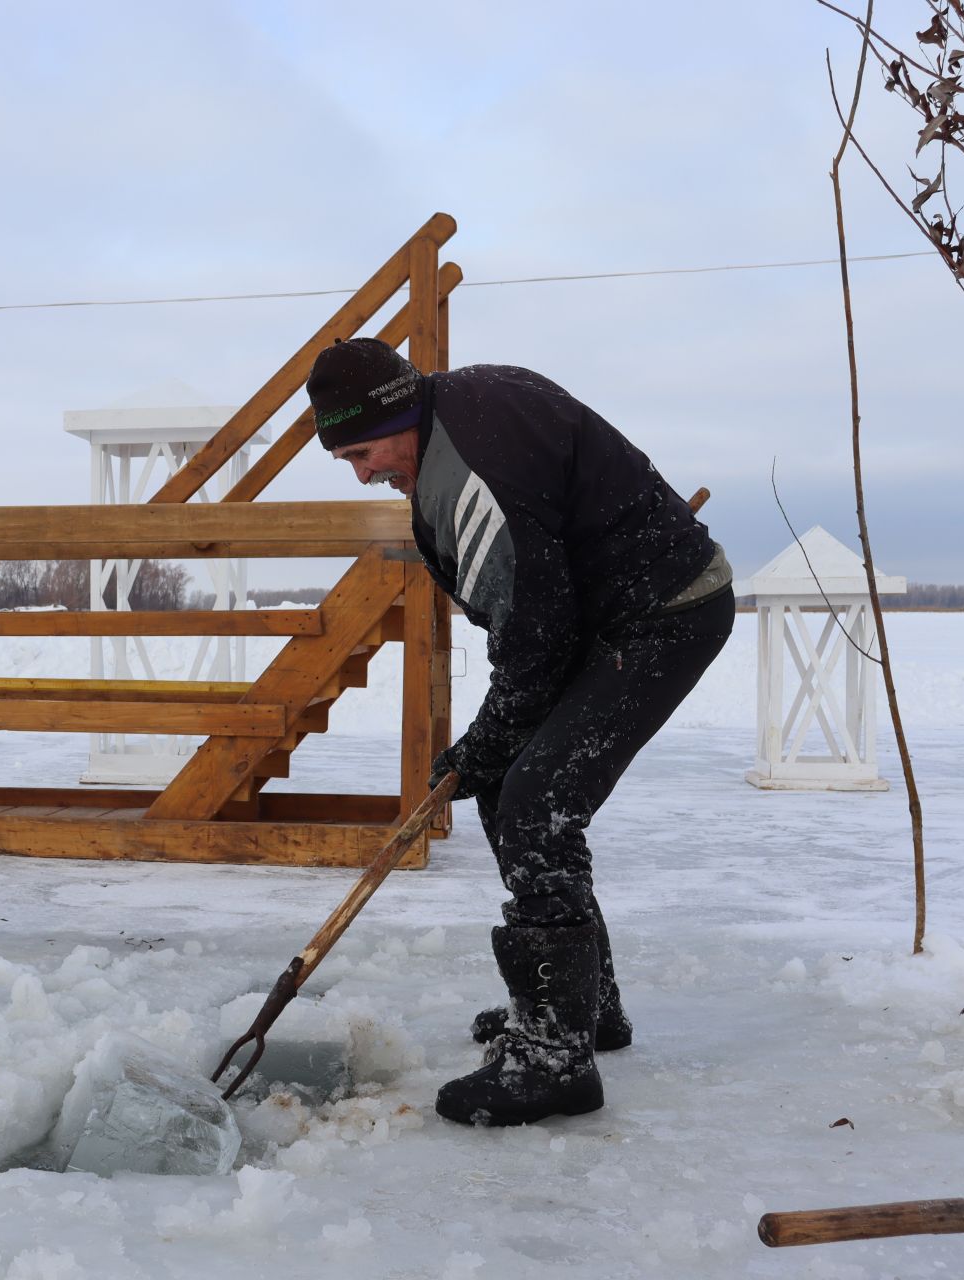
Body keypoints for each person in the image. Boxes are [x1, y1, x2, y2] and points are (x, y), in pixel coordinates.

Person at [307, 340, 734, 1126]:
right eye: (346, 461)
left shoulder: (474, 468)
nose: (363, 473)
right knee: (514, 787)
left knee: (535, 799)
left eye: (362, 453)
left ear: (397, 414)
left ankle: (554, 1058)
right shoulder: (456, 415)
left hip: (663, 617)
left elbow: (532, 636)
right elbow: (540, 613)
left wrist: (486, 741)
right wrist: (491, 754)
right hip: (608, 615)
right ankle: (582, 1010)